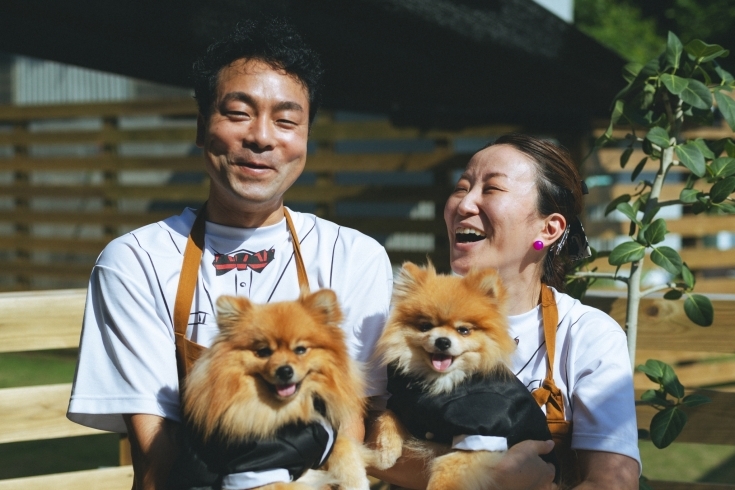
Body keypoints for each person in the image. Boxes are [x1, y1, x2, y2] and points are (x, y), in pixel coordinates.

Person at [67, 18, 392, 489]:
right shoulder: (136, 261)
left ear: (304, 141)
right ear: (202, 129)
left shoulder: (355, 257)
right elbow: (157, 457)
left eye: (285, 120)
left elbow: (354, 420)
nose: (261, 137)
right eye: (238, 113)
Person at [368, 134, 641, 489]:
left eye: (491, 189)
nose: (464, 204)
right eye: (461, 187)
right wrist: (489, 476)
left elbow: (612, 484)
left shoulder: (588, 335)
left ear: (549, 228)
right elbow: (358, 434)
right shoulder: (405, 318)